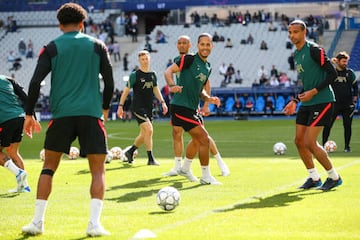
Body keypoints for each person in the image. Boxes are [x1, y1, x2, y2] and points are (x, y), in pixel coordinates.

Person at [21, 3, 114, 236]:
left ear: (60, 25)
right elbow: (109, 80)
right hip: (91, 114)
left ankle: (37, 223)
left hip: (61, 115)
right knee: (98, 171)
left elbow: (35, 82)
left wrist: (29, 114)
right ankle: (94, 225)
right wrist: (104, 108)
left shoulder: (51, 47)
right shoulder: (98, 45)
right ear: (83, 24)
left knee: (49, 167)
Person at [283, 19, 342, 191]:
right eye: (290, 32)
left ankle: (334, 177)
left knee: (310, 142)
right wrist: (295, 100)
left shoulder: (315, 50)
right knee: (299, 141)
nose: (292, 35)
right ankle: (314, 178)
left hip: (323, 100)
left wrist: (314, 92)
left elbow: (332, 74)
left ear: (304, 33)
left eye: (295, 32)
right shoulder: (296, 54)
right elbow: (307, 83)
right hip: (308, 102)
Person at [163, 35, 230, 178]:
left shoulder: (208, 67)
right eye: (202, 44)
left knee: (197, 139)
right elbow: (168, 71)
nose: (205, 47)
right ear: (197, 46)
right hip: (181, 106)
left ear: (212, 46)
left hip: (193, 108)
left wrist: (208, 99)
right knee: (203, 138)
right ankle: (206, 175)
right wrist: (172, 86)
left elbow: (201, 90)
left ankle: (185, 168)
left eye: (208, 44)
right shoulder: (189, 59)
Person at [117, 50, 168, 165]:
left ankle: (130, 152)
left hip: (149, 107)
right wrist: (120, 106)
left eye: (146, 59)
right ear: (139, 61)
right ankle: (150, 159)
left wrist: (163, 102)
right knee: (149, 130)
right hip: (138, 107)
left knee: (144, 134)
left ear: (149, 59)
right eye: (142, 59)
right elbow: (125, 92)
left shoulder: (153, 75)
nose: (145, 61)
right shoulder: (135, 75)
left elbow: (155, 89)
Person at [0, 75, 40, 193]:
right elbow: (25, 98)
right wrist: (33, 117)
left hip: (5, 119)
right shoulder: (7, 79)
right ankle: (24, 186)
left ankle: (18, 172)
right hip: (20, 117)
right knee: (13, 151)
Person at [322, 51, 358, 153]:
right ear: (337, 61)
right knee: (328, 125)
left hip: (347, 105)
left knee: (347, 126)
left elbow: (355, 88)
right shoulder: (332, 73)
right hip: (333, 104)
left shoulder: (350, 73)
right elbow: (323, 68)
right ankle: (324, 145)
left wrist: (354, 101)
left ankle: (347, 146)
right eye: (343, 61)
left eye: (346, 61)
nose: (345, 63)